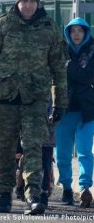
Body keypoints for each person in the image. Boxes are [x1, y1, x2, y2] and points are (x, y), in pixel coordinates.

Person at [0, 0, 68, 215]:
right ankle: (4, 195)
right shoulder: (2, 25)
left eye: (32, 1)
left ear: (38, 3)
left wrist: (60, 102)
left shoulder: (49, 28)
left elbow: (58, 68)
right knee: (5, 149)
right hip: (4, 97)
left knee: (34, 147)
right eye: (23, 1)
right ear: (17, 3)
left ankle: (33, 196)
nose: (27, 5)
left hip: (35, 98)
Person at [55, 17, 94, 208]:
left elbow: (88, 76)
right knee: (62, 153)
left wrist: (69, 67)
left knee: (85, 152)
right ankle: (66, 188)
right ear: (68, 33)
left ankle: (85, 188)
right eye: (72, 31)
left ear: (86, 32)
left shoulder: (92, 50)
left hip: (87, 111)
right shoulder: (61, 51)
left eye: (80, 30)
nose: (76, 34)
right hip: (64, 109)